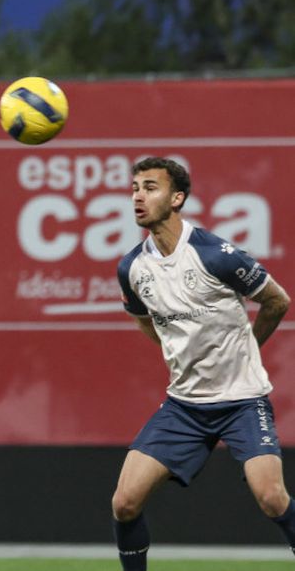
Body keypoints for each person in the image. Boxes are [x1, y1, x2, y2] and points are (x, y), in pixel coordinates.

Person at [113, 157, 295, 570]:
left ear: (177, 198)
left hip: (243, 401)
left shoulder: (215, 255)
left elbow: (277, 300)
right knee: (124, 503)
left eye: (151, 187)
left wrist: (248, 346)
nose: (138, 196)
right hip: (184, 407)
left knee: (271, 498)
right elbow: (143, 317)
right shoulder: (132, 268)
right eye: (135, 187)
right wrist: (175, 350)